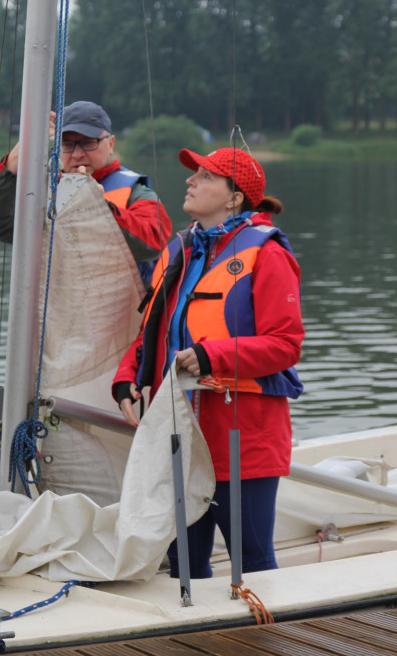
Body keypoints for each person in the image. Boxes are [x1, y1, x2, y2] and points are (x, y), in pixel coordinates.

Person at [111, 147, 303, 578]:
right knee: (182, 566)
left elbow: (286, 346)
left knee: (251, 562)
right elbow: (151, 333)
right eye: (194, 174)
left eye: (205, 176)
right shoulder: (178, 249)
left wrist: (210, 356)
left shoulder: (268, 254)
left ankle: (262, 640)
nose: (190, 181)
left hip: (242, 435)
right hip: (180, 434)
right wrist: (127, 379)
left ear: (235, 198)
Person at [0, 101, 172, 285]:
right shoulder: (46, 192)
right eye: (68, 144)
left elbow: (154, 243)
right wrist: (12, 167)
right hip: (57, 313)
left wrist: (100, 207)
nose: (78, 154)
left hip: (116, 314)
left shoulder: (135, 190)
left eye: (88, 143)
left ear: (110, 144)